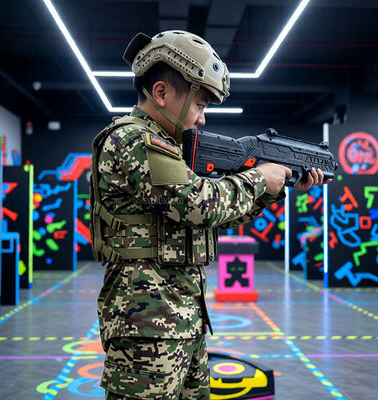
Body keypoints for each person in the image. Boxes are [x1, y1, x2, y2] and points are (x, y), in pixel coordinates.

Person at [90, 30, 330, 400]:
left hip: (184, 320)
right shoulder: (134, 140)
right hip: (146, 327)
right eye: (200, 105)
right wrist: (258, 179)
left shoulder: (169, 147)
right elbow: (197, 204)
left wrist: (273, 189)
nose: (202, 119)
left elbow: (214, 217)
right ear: (161, 93)